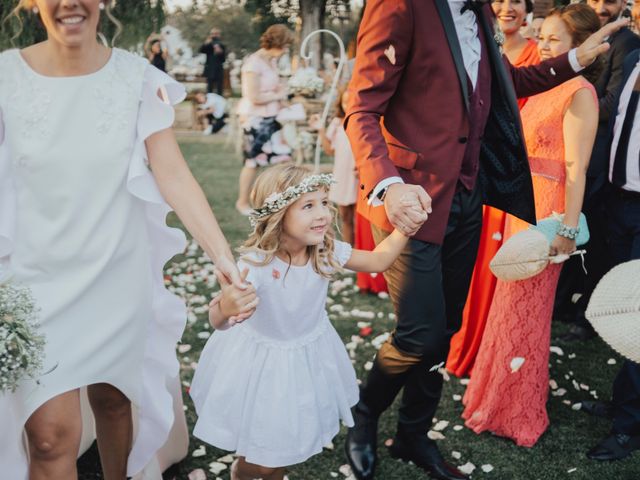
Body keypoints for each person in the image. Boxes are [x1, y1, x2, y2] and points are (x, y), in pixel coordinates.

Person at [343, 1, 625, 479]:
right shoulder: (402, 6)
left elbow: (506, 85)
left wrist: (578, 59)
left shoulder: (479, 15)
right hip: (409, 200)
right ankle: (364, 414)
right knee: (419, 334)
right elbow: (362, 107)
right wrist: (389, 187)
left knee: (447, 327)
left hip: (466, 201)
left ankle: (413, 434)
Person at [0, 1, 254, 479]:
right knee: (50, 438)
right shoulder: (5, 77)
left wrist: (221, 254)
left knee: (115, 403)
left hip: (117, 272)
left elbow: (172, 172)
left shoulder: (135, 78)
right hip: (33, 284)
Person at [189, 164, 426, 480]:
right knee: (261, 457)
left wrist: (405, 229)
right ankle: (241, 472)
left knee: (283, 448)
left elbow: (378, 260)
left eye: (325, 203)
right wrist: (226, 307)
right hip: (260, 366)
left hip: (306, 360)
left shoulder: (325, 252)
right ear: (278, 214)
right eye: (309, 206)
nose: (323, 214)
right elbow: (219, 320)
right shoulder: (256, 265)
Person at [461, 4, 600, 447]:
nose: (543, 46)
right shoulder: (543, 85)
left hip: (551, 214)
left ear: (581, 48)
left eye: (555, 40)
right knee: (507, 309)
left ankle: (517, 410)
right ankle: (491, 397)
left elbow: (577, 167)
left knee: (529, 316)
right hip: (523, 205)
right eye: (543, 36)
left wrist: (567, 227)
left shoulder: (579, 92)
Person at [446, 0, 540, 379]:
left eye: (517, 0)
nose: (507, 6)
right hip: (474, 176)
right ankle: (466, 343)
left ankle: (494, 347)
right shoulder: (474, 36)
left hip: (511, 176)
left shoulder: (536, 51)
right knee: (471, 271)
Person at [555, 0, 640, 340]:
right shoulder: (635, 58)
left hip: (619, 188)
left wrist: (568, 107)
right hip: (617, 189)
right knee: (617, 279)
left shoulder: (626, 46)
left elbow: (604, 105)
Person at [583, 46, 640, 462]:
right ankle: (624, 401)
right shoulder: (635, 57)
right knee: (623, 310)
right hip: (619, 202)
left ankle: (629, 425)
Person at [235, 24, 294, 216]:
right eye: (284, 46)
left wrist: (282, 99)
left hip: (272, 116)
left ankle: (279, 200)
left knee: (285, 158)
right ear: (275, 43)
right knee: (253, 162)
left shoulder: (272, 62)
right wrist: (278, 95)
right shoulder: (253, 64)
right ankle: (243, 202)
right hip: (255, 120)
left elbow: (272, 89)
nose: (286, 50)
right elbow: (254, 97)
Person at [318, 87, 358, 245]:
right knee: (345, 217)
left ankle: (364, 249)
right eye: (345, 102)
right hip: (342, 175)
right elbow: (329, 149)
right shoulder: (336, 123)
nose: (348, 105)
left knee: (360, 218)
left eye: (351, 101)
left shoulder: (363, 123)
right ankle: (350, 250)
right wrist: (321, 130)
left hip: (358, 175)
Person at [199, 27, 226, 95]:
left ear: (219, 35)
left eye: (216, 34)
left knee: (219, 88)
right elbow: (201, 50)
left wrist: (220, 52)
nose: (214, 35)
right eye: (212, 34)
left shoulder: (222, 45)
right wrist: (206, 43)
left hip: (218, 69)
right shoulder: (208, 45)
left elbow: (223, 59)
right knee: (209, 88)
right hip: (210, 69)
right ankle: (210, 101)